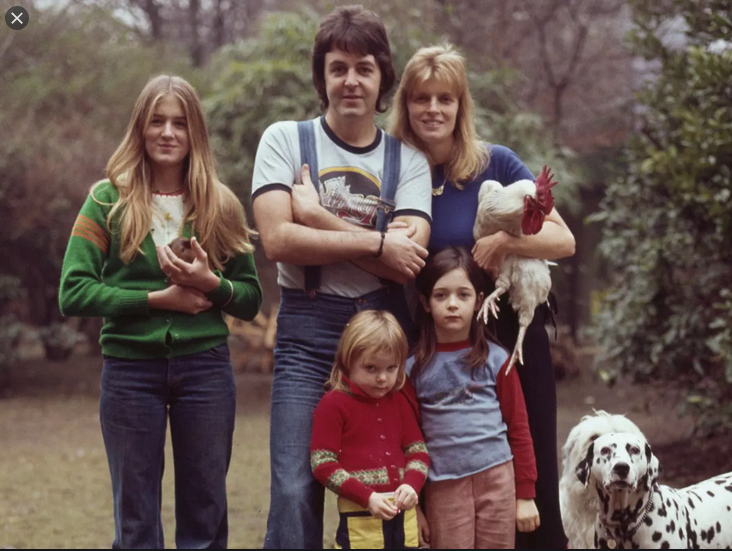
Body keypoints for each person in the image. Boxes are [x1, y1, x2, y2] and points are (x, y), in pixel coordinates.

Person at [251, 5, 433, 548]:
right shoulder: (285, 140)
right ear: (322, 77)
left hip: (385, 335)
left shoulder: (409, 161)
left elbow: (408, 259)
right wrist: (376, 241)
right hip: (307, 332)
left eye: (364, 68)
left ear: (383, 79)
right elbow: (277, 240)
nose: (351, 80)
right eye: (338, 68)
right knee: (293, 486)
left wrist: (313, 216)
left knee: (395, 481)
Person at [58, 75, 262, 549]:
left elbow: (250, 299)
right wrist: (156, 301)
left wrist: (211, 284)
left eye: (180, 123)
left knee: (206, 513)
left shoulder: (220, 204)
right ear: (140, 128)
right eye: (157, 121)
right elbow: (73, 292)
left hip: (206, 370)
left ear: (195, 133)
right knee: (136, 520)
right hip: (130, 371)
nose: (168, 132)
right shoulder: (106, 200)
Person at [389, 44, 575, 549]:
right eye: (421, 98)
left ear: (460, 105)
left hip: (511, 335)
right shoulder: (396, 170)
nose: (433, 109)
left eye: (445, 98)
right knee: (448, 464)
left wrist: (506, 242)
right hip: (440, 341)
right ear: (405, 104)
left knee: (531, 458)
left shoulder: (496, 163)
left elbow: (563, 240)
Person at [406, 246, 538, 549]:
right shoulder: (411, 370)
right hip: (443, 485)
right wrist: (414, 507)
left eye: (463, 295)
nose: (452, 304)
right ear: (425, 303)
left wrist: (526, 495)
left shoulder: (498, 360)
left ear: (479, 300)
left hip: (498, 480)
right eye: (441, 295)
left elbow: (519, 428)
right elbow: (407, 441)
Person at [310, 309, 429, 549]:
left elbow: (418, 452)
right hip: (359, 518)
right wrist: (366, 497)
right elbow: (322, 463)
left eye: (391, 368)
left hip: (404, 517)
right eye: (371, 368)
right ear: (348, 361)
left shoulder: (399, 401)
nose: (382, 378)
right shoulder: (333, 404)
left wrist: (411, 485)